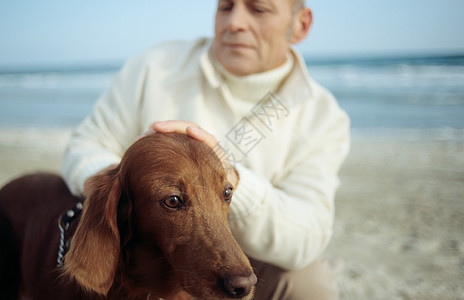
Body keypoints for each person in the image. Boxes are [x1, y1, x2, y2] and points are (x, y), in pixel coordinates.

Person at [62, 0, 350, 299]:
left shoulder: (324, 116)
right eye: (226, 7)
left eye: (258, 9)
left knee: (311, 283)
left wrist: (231, 181)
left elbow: (308, 236)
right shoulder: (155, 66)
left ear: (300, 24)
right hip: (151, 254)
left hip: (251, 257)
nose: (235, 22)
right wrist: (124, 181)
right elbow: (83, 146)